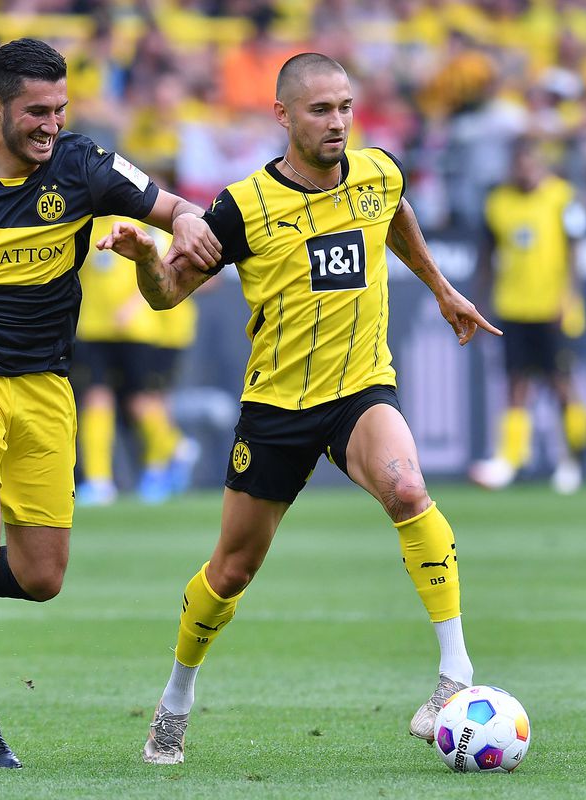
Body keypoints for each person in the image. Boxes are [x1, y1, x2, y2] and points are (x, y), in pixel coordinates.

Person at [97, 53, 500, 765]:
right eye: (321, 110)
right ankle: (176, 699)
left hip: (360, 389)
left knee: (408, 488)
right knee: (232, 571)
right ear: (282, 116)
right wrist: (140, 258)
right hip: (277, 408)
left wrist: (439, 286)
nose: (338, 121)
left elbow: (395, 212)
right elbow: (167, 294)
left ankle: (453, 678)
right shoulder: (241, 207)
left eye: (345, 106)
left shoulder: (378, 171)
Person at [0, 38, 220, 769]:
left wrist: (186, 222)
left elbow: (176, 205)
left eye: (60, 109)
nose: (50, 125)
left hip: (44, 389)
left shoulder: (84, 165)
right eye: (36, 111)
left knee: (40, 578)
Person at [469, 137, 586, 494]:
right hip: (513, 307)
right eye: (518, 164)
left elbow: (575, 253)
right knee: (516, 383)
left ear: (541, 163)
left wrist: (568, 298)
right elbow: (486, 257)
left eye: (530, 163)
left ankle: (573, 459)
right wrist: (479, 302)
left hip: (554, 309)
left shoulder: (563, 197)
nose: (524, 170)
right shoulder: (498, 202)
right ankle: (510, 459)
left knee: (561, 384)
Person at [74, 216, 199, 506]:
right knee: (95, 397)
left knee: (140, 402)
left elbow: (165, 272)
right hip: (92, 328)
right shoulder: (84, 223)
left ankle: (172, 448)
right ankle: (98, 481)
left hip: (137, 330)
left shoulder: (141, 225)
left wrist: (133, 307)